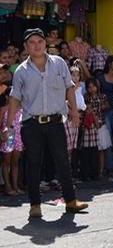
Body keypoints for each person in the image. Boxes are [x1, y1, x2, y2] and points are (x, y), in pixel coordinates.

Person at [2, 28, 88, 217]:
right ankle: (35, 205)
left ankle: (71, 201)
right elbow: (15, 99)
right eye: (31, 43)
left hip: (56, 121)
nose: (36, 45)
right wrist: (8, 126)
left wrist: (74, 111)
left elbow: (69, 88)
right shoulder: (21, 71)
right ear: (25, 46)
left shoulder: (59, 64)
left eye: (39, 41)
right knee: (34, 163)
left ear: (45, 44)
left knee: (63, 161)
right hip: (31, 124)